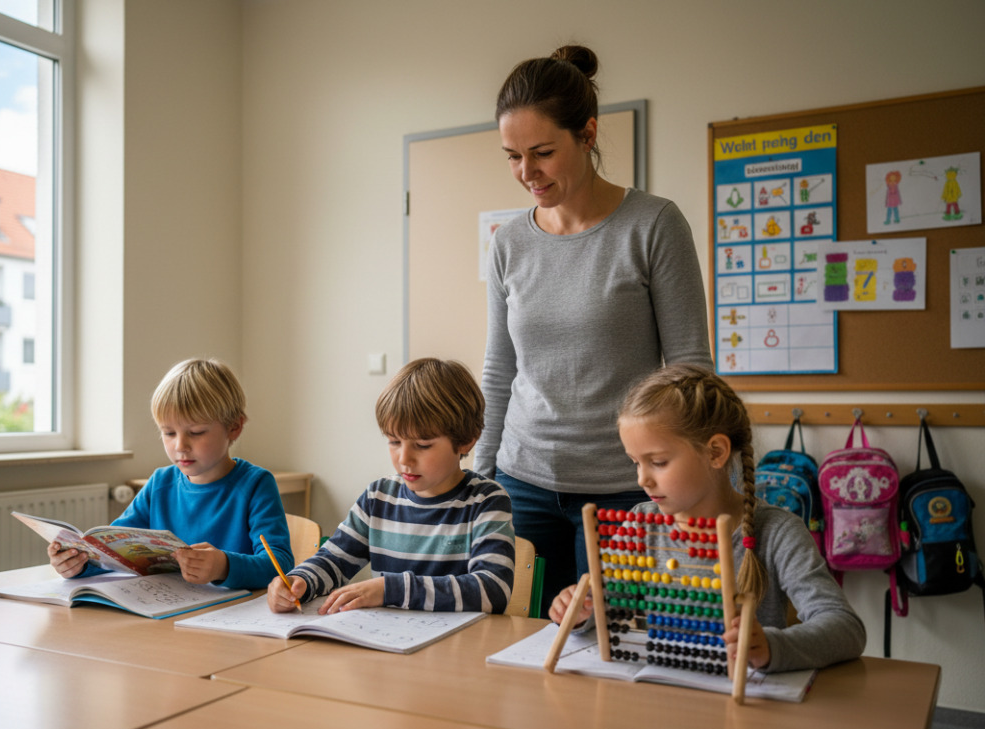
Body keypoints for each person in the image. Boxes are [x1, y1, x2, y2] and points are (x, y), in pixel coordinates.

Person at [477, 44, 712, 617]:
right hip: (522, 482)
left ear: (587, 134)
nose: (527, 173)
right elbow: (500, 369)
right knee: (519, 643)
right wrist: (480, 478)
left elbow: (690, 369)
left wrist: (687, 483)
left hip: (625, 490)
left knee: (612, 642)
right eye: (512, 156)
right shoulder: (509, 243)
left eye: (542, 153)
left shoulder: (653, 225)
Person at [550, 364, 866, 673]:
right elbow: (607, 604)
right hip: (654, 694)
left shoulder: (777, 533)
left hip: (739, 699)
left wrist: (771, 647)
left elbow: (845, 628)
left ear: (715, 452)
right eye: (636, 462)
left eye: (658, 462)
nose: (642, 479)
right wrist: (581, 612)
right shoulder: (641, 523)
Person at [267, 358, 515, 614]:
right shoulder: (378, 498)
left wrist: (390, 589)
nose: (404, 459)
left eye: (422, 445)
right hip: (387, 637)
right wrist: (299, 582)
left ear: (465, 441)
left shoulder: (487, 501)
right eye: (394, 441)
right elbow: (333, 560)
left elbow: (493, 590)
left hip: (459, 639)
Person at [49, 358, 292, 590]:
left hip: (232, 612)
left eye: (196, 432)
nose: (180, 446)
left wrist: (223, 567)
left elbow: (280, 565)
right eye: (169, 433)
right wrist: (78, 564)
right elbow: (113, 551)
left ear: (234, 427)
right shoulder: (160, 483)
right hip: (165, 608)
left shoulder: (256, 484)